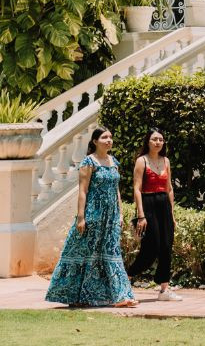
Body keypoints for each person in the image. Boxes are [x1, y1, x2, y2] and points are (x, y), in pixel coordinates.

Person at [44, 127, 136, 308]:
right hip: (93, 214)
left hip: (111, 217)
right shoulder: (89, 162)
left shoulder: (113, 161)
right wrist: (81, 217)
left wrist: (120, 213)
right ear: (95, 141)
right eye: (104, 137)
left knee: (112, 254)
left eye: (110, 137)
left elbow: (116, 190)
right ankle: (77, 295)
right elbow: (83, 191)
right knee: (86, 254)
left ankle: (121, 296)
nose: (109, 140)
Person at [127, 130, 179, 301]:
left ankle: (164, 290)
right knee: (151, 247)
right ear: (147, 142)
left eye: (161, 139)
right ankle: (125, 279)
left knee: (166, 246)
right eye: (154, 139)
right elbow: (137, 188)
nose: (158, 142)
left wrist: (171, 214)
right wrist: (141, 215)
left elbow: (169, 188)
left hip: (164, 204)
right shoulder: (141, 161)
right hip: (148, 203)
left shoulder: (166, 161)